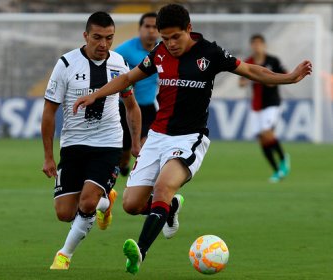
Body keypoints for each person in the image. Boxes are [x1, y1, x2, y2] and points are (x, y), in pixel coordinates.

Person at [73, 4, 312, 275]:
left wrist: (289, 78)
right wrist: (96, 94)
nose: (170, 44)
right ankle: (171, 207)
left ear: (189, 29)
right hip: (157, 137)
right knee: (131, 204)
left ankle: (140, 250)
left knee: (163, 187)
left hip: (188, 138)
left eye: (176, 37)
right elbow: (128, 77)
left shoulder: (210, 53)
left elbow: (251, 71)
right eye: (165, 38)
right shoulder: (160, 53)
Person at [41, 11, 141, 270]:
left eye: (109, 38)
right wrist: (49, 156)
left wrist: (136, 142)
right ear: (85, 36)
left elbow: (131, 107)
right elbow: (49, 113)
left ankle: (64, 256)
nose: (103, 44)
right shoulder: (65, 65)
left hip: (108, 145)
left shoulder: (120, 64)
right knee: (64, 213)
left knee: (86, 202)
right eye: (97, 37)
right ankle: (106, 202)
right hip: (73, 145)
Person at [239, 34, 290, 183]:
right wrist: (243, 83)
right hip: (256, 105)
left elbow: (286, 75)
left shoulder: (272, 61)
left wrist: (274, 81)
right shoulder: (248, 62)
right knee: (262, 140)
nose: (256, 46)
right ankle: (277, 171)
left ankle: (283, 159)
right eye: (254, 43)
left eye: (259, 43)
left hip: (272, 103)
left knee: (267, 132)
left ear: (264, 45)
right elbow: (241, 81)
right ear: (251, 46)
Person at [114, 12, 159, 176]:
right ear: (140, 29)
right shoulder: (124, 50)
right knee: (125, 152)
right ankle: (124, 164)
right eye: (147, 26)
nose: (151, 31)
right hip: (124, 108)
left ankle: (140, 181)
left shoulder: (163, 50)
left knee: (146, 148)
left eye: (155, 27)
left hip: (148, 108)